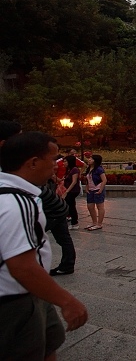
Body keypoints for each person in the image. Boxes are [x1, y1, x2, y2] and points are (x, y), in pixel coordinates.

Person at [0, 131, 89, 359]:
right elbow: (21, 266)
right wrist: (67, 302)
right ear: (33, 163)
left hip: (33, 292)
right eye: (52, 159)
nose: (56, 166)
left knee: (50, 342)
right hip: (17, 299)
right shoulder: (17, 203)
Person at [84, 154, 106, 230]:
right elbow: (87, 179)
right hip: (90, 190)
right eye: (89, 158)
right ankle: (94, 222)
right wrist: (86, 188)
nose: (89, 160)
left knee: (100, 206)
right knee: (90, 206)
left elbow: (104, 180)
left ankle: (99, 224)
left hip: (98, 188)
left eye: (91, 159)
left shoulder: (99, 169)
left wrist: (100, 190)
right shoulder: (89, 168)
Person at [62, 155, 81, 229]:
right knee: (69, 205)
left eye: (65, 161)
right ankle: (72, 220)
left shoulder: (74, 169)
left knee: (71, 206)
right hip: (69, 190)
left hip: (73, 190)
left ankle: (75, 223)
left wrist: (66, 192)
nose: (64, 163)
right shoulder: (69, 170)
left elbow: (74, 182)